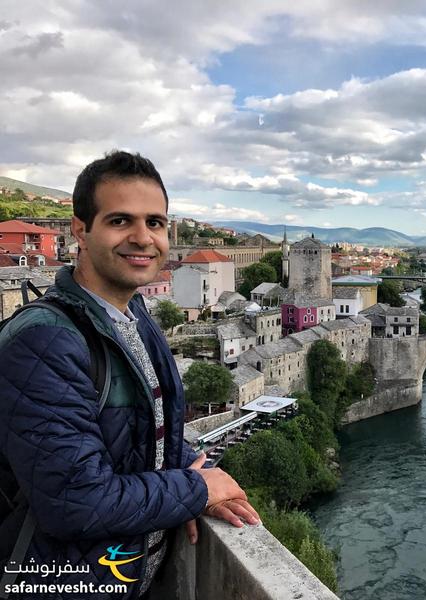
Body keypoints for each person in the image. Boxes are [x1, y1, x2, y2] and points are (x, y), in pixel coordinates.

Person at [0, 151, 259, 599]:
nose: (143, 238)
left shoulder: (133, 312)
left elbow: (155, 430)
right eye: (121, 221)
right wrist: (195, 489)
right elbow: (74, 502)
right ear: (80, 230)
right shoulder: (44, 341)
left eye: (155, 223)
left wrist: (189, 475)